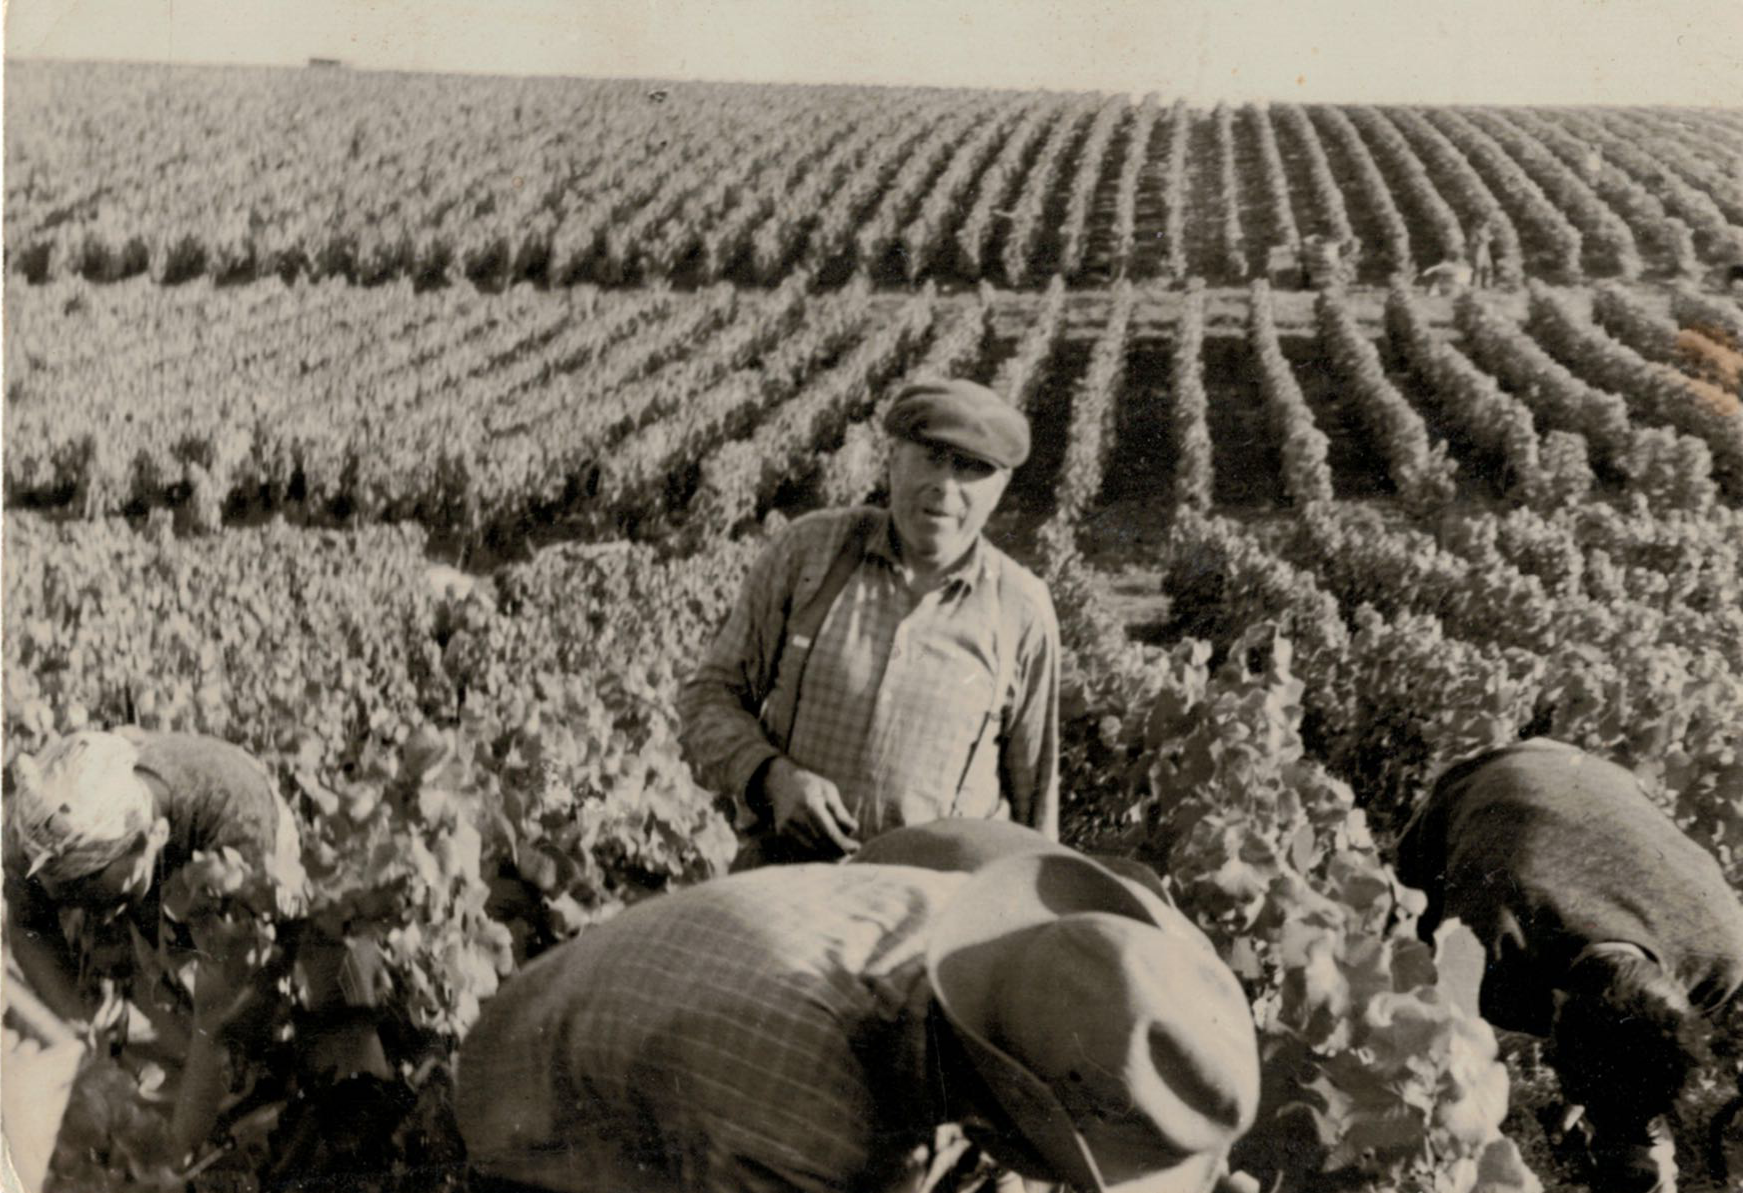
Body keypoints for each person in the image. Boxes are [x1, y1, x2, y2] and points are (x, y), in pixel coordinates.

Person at [455, 847, 1261, 1193]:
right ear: (1008, 1119)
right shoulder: (808, 1108)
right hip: (547, 1115)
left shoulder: (1002, 949)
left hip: (691, 1023)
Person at [678, 378, 1061, 867]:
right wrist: (772, 778)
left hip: (934, 912)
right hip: (789, 885)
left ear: (1000, 488)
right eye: (931, 457)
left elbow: (1036, 806)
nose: (945, 487)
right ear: (893, 459)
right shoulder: (810, 552)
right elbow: (708, 696)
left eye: (972, 469)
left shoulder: (1021, 610)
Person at [1394, 738, 1743, 1193]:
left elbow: (1635, 1051)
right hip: (1493, 781)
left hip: (1602, 781)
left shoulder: (1723, 956)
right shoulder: (1485, 942)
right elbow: (1433, 1045)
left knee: (1624, 1088)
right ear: (1553, 1009)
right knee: (1398, 971)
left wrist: (1628, 1130)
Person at [3, 727, 306, 1176]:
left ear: (154, 836)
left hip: (246, 861)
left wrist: (166, 1163)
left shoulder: (231, 817)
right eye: (68, 894)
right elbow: (29, 923)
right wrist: (78, 1030)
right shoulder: (40, 826)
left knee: (248, 1031)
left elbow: (221, 1013)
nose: (85, 909)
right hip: (146, 873)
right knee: (142, 978)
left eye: (93, 889)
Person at [1468, 219, 1495, 289]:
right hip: (1479, 251)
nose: (1487, 225)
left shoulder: (1485, 230)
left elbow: (1488, 238)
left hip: (1485, 251)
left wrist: (1488, 238)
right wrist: (1483, 240)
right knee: (1478, 268)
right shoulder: (1476, 231)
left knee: (1488, 268)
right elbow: (1473, 242)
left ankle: (1487, 285)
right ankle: (1477, 286)